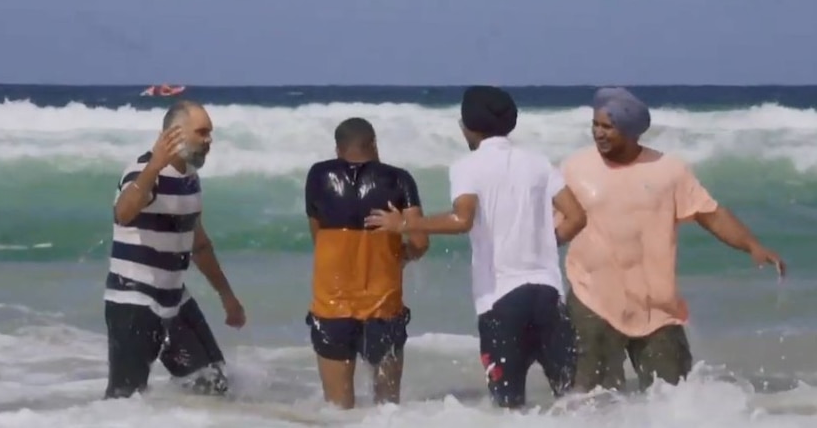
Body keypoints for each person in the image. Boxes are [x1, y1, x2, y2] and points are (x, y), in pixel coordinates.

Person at [364, 85, 587, 409]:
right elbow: (577, 216)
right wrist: (544, 243)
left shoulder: (467, 166)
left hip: (502, 301)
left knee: (508, 407)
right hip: (549, 296)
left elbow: (461, 219)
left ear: (468, 126)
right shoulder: (538, 162)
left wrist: (405, 224)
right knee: (571, 401)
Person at [558, 87, 787, 393]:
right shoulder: (575, 168)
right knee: (591, 401)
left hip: (658, 308)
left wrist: (752, 245)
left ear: (630, 131)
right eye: (595, 125)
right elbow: (551, 224)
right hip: (593, 301)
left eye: (607, 127)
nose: (598, 133)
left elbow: (711, 214)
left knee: (675, 396)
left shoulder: (669, 171)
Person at [104, 100, 247, 399]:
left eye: (210, 133)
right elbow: (124, 212)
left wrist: (227, 296)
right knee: (124, 399)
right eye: (202, 132)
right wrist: (154, 166)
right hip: (134, 301)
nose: (209, 140)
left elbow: (200, 245)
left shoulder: (189, 179)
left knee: (214, 385)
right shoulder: (142, 171)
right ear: (174, 135)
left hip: (174, 301)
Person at [303, 117, 430, 409]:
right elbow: (421, 242)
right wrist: (399, 257)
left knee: (338, 411)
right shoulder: (399, 179)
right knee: (388, 410)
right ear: (373, 144)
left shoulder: (318, 176)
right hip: (383, 308)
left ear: (338, 149)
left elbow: (318, 237)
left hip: (332, 307)